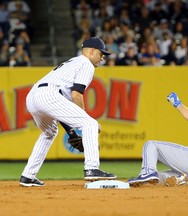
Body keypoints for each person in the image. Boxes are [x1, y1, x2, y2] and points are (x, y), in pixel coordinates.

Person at [19, 37, 117, 187]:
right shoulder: (86, 64)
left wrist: (71, 133)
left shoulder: (74, 62)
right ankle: (92, 168)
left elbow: (59, 108)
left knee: (49, 133)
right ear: (91, 51)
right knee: (90, 123)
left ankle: (28, 176)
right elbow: (76, 94)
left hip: (33, 97)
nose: (103, 58)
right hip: (48, 94)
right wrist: (85, 119)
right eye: (101, 53)